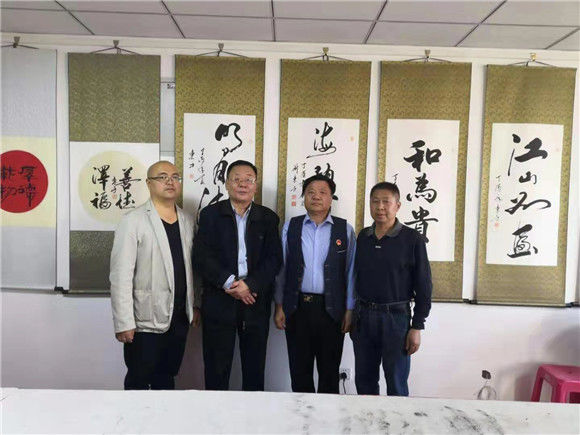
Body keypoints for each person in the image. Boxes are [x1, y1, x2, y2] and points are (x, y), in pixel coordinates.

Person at [192, 160, 282, 391]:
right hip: (219, 299)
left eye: (248, 179)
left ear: (256, 185)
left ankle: (252, 413)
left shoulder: (268, 218)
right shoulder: (210, 215)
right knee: (216, 367)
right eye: (237, 179)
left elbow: (274, 259)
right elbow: (201, 257)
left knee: (254, 368)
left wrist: (250, 284)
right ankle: (215, 413)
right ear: (226, 183)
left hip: (255, 300)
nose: (243, 184)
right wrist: (231, 283)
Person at [110, 160, 200, 390]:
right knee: (139, 379)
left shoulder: (188, 220)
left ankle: (164, 415)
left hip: (179, 317)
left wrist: (194, 305)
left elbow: (193, 269)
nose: (170, 181)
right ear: (149, 183)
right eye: (162, 177)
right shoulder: (133, 221)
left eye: (175, 177)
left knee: (167, 378)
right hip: (144, 318)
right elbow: (120, 276)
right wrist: (124, 321)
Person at [274, 174, 356, 394]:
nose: (316, 197)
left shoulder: (345, 230)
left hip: (332, 310)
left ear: (331, 198)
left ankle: (327, 416)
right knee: (299, 371)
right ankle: (301, 415)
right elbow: (282, 269)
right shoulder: (291, 227)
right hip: (297, 307)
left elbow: (350, 272)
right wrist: (279, 305)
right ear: (304, 197)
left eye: (322, 192)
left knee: (329, 372)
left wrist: (349, 310)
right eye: (310, 192)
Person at [351, 181, 432, 396]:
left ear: (397, 205)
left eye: (386, 202)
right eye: (375, 201)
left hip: (396, 319)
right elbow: (355, 277)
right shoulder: (363, 237)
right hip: (364, 317)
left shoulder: (412, 239)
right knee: (364, 382)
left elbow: (424, 285)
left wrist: (417, 326)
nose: (380, 207)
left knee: (396, 383)